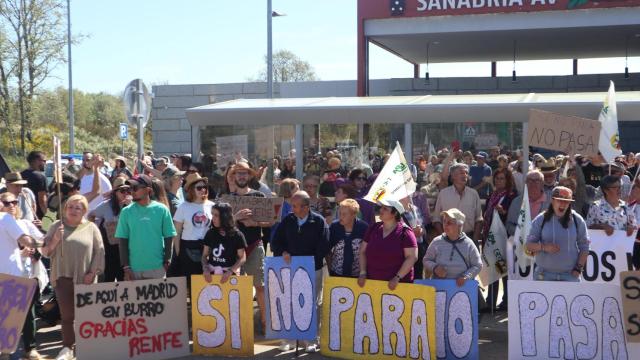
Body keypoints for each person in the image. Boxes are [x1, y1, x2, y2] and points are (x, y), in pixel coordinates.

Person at [40, 195, 104, 360]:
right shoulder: (56, 226)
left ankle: (89, 346)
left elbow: (99, 251)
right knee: (67, 316)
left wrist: (93, 272)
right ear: (65, 208)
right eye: (70, 206)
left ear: (84, 210)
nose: (74, 210)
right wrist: (54, 240)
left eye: (78, 207)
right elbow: (45, 252)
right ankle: (68, 347)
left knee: (88, 315)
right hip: (63, 277)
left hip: (86, 278)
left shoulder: (91, 227)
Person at [272, 191, 330, 353]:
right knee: (289, 302)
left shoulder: (318, 221)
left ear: (305, 207)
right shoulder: (288, 220)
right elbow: (276, 241)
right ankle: (289, 339)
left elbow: (324, 244)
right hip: (290, 269)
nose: (292, 209)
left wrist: (310, 261)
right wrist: (282, 252)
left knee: (312, 304)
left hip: (313, 269)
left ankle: (311, 339)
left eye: (295, 206)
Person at [0, 193, 44, 360]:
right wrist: (43, 243)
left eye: (15, 202)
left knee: (25, 314)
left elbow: (37, 239)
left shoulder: (24, 222)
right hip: (11, 275)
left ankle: (27, 348)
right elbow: (29, 241)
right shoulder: (5, 219)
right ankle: (5, 351)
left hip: (24, 274)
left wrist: (41, 243)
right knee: (10, 317)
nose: (11, 205)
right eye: (7, 202)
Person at [230, 161, 271, 334]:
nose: (241, 176)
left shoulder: (259, 196)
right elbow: (218, 225)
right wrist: (235, 218)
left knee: (259, 286)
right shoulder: (227, 198)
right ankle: (238, 326)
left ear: (249, 176)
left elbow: (269, 222)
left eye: (244, 173)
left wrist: (255, 223)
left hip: (255, 246)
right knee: (235, 288)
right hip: (233, 249)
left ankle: (264, 322)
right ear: (233, 176)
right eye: (238, 173)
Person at [115, 174, 177, 281]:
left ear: (148, 190)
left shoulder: (162, 209)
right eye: (130, 189)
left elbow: (169, 236)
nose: (132, 191)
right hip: (134, 269)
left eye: (135, 188)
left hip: (158, 268)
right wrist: (126, 267)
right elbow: (122, 240)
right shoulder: (126, 211)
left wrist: (167, 260)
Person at [526, 187, 590, 282]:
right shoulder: (541, 219)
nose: (563, 204)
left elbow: (585, 247)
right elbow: (529, 246)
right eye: (559, 200)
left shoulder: (578, 220)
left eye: (567, 201)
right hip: (544, 275)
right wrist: (544, 247)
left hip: (570, 275)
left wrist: (578, 268)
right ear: (552, 201)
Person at [358, 199, 418, 289]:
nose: (381, 210)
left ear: (395, 213)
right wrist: (363, 272)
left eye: (385, 209)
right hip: (372, 284)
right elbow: (362, 251)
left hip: (398, 286)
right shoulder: (373, 228)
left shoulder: (405, 232)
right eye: (381, 207)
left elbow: (412, 257)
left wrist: (397, 277)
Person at [482, 168, 517, 311]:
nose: (498, 181)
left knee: (503, 271)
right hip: (490, 238)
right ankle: (490, 302)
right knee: (492, 270)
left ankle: (506, 303)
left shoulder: (512, 196)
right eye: (496, 178)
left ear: (508, 180)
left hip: (504, 239)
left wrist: (504, 212)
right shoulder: (492, 195)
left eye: (502, 178)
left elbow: (513, 215)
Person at [172, 173, 214, 289]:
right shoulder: (183, 207)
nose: (203, 190)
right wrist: (179, 252)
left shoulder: (212, 205)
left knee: (207, 281)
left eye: (204, 187)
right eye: (199, 188)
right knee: (191, 282)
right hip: (189, 247)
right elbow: (177, 232)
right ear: (191, 190)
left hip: (208, 247)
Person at [88, 177, 133, 282]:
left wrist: (130, 204)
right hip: (110, 249)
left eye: (128, 190)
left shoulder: (133, 206)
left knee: (125, 280)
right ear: (115, 192)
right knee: (109, 279)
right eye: (122, 191)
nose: (125, 193)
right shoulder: (106, 205)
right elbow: (91, 215)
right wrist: (95, 230)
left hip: (127, 248)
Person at [423, 209, 482, 286]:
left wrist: (466, 277)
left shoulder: (469, 244)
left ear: (459, 225)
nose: (445, 225)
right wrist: (435, 268)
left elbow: (478, 265)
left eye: (449, 223)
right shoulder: (436, 242)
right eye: (444, 221)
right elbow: (426, 260)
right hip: (440, 287)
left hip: (462, 289)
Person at [432, 163, 483, 245]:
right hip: (448, 239)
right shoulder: (443, 194)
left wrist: (475, 239)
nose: (465, 175)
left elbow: (479, 219)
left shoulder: (473, 194)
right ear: (453, 176)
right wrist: (444, 239)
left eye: (466, 173)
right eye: (462, 173)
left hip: (470, 238)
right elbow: (437, 219)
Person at [201, 202, 247, 283]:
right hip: (211, 275)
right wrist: (205, 268)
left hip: (230, 276)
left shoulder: (237, 235)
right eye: (212, 215)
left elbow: (242, 258)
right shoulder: (210, 233)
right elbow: (204, 256)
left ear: (224, 217)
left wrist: (230, 271)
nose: (213, 218)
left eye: (216, 215)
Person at [328, 199, 368, 277]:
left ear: (354, 214)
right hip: (336, 272)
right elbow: (327, 249)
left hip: (357, 274)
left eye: (344, 214)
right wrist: (330, 267)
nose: (341, 217)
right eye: (339, 213)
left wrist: (363, 272)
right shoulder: (334, 227)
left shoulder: (364, 228)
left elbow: (367, 251)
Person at [21, 151, 48, 219]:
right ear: (37, 161)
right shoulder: (40, 177)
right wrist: (48, 217)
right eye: (44, 161)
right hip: (38, 216)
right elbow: (42, 201)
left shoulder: (21, 175)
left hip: (22, 213)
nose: (45, 163)